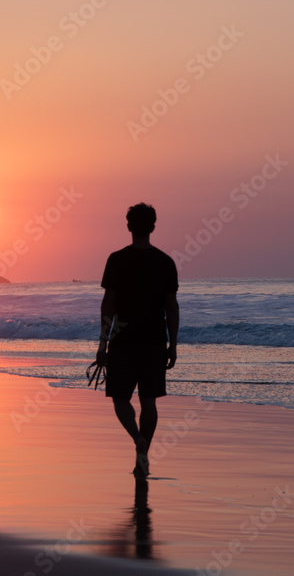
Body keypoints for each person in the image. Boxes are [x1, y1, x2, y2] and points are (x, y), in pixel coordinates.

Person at [97, 203, 179, 477]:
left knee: (120, 398)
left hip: (123, 340)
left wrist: (102, 343)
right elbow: (172, 307)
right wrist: (173, 344)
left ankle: (137, 439)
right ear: (153, 227)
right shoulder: (165, 262)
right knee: (149, 401)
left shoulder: (116, 259)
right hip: (154, 339)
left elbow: (108, 304)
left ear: (129, 226)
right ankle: (142, 455)